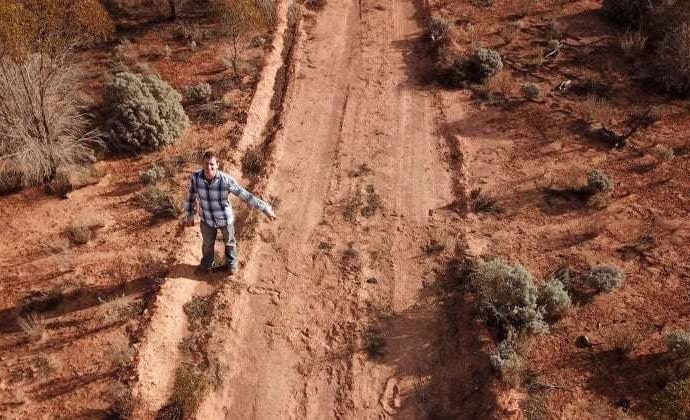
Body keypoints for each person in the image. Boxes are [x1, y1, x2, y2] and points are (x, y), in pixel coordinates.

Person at [181, 150, 276, 274]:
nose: (208, 167)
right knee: (207, 245)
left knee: (230, 243)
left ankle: (231, 265)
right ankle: (206, 265)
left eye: (211, 164)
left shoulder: (226, 181)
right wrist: (189, 215)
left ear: (217, 165)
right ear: (202, 165)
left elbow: (246, 196)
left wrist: (266, 209)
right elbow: (190, 196)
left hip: (225, 219)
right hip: (207, 219)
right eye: (206, 164)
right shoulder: (196, 178)